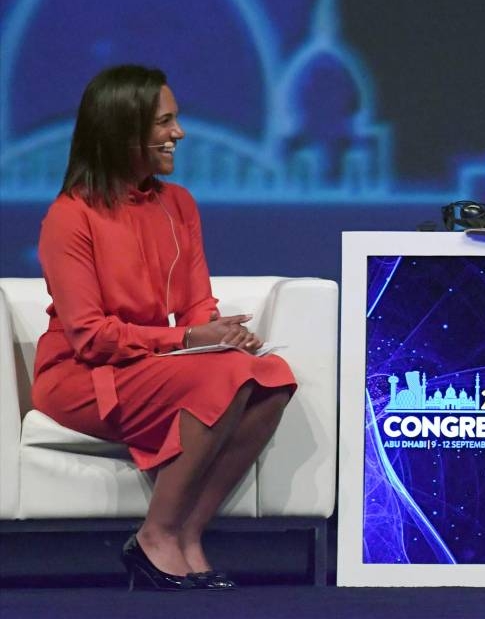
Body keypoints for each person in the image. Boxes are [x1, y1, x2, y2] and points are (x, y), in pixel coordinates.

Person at [32, 65, 298, 591]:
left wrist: (222, 334)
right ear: (121, 131)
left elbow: (198, 303)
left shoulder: (178, 204)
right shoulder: (70, 216)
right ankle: (155, 537)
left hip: (151, 366)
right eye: (164, 122)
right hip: (82, 376)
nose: (179, 133)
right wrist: (188, 341)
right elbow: (89, 336)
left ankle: (187, 535)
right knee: (221, 377)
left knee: (269, 376)